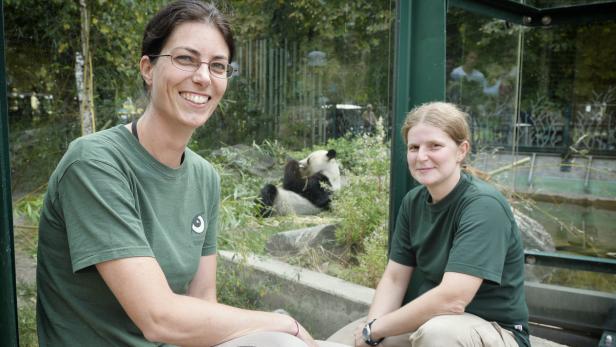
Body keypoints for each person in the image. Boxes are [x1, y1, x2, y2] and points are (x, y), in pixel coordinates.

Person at [36, 1, 347, 346]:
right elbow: (159, 318)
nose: (202, 77)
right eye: (185, 58)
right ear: (148, 68)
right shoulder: (95, 163)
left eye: (218, 65)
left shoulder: (203, 177)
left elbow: (202, 302)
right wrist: (282, 324)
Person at [328, 102, 529, 347]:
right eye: (414, 147)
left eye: (435, 146)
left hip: (494, 332)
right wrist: (372, 334)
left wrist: (375, 330)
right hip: (432, 322)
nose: (421, 156)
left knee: (438, 335)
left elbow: (452, 299)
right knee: (346, 342)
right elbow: (394, 278)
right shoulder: (413, 202)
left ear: (461, 150)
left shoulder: (483, 205)